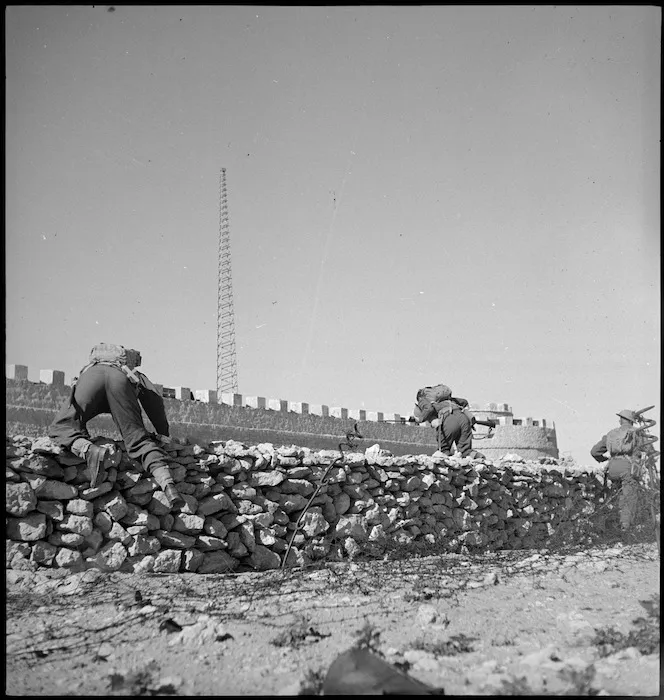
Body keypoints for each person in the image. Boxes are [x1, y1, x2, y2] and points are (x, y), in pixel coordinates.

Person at [48, 344, 184, 508]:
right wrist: (163, 433)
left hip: (91, 382)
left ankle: (89, 450)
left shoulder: (89, 369)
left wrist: (83, 438)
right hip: (120, 383)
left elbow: (75, 418)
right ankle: (169, 486)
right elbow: (154, 400)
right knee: (138, 440)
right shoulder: (129, 372)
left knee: (61, 427)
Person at [590, 409, 643, 531]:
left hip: (613, 468)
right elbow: (649, 450)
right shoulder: (636, 432)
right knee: (629, 498)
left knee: (616, 497)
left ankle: (613, 526)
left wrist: (604, 459)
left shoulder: (611, 434)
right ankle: (625, 528)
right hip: (628, 468)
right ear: (632, 421)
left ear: (621, 420)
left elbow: (594, 451)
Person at [430, 394, 484, 459]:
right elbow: (465, 402)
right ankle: (479, 457)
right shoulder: (454, 401)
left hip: (449, 419)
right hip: (464, 418)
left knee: (443, 449)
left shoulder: (428, 404)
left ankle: (447, 466)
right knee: (466, 451)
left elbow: (420, 417)